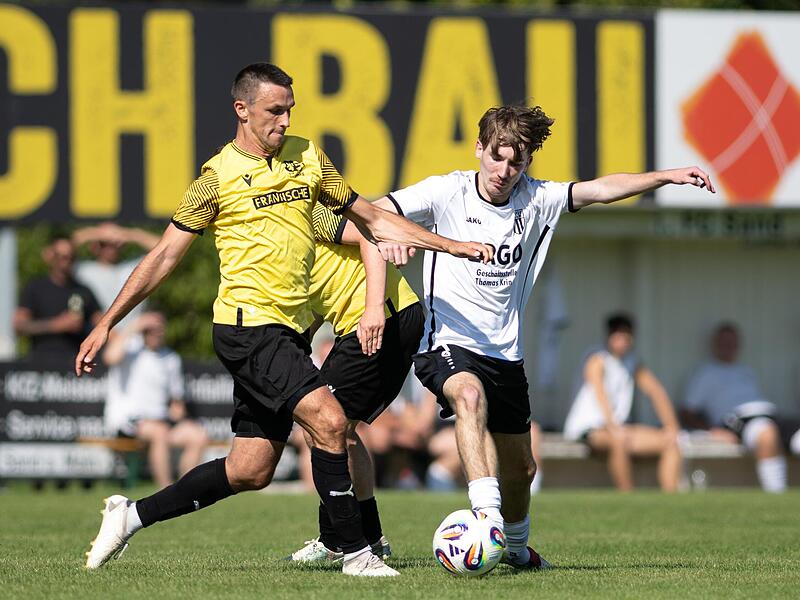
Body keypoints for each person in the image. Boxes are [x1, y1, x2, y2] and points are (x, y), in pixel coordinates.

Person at [77, 62, 491, 577]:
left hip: (290, 335)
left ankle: (131, 515)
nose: (285, 120)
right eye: (275, 110)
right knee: (331, 419)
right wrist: (106, 322)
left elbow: (372, 221)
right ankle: (356, 551)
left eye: (291, 109)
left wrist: (451, 246)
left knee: (249, 470)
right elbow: (164, 255)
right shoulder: (216, 178)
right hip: (247, 329)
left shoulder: (307, 158)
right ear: (242, 109)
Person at [349, 103, 715, 568]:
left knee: (522, 468)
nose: (504, 170)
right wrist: (392, 235)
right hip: (448, 339)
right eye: (497, 157)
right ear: (479, 148)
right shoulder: (447, 191)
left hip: (506, 353)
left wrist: (666, 175)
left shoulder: (537, 198)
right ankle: (486, 521)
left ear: (527, 163)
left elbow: (602, 189)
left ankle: (516, 548)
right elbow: (371, 213)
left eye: (516, 162)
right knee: (468, 396)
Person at [286, 200, 425, 563]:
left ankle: (339, 540)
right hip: (372, 324)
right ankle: (369, 536)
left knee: (323, 423)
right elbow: (322, 299)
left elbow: (371, 234)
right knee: (337, 428)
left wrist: (373, 307)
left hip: (386, 317)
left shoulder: (306, 213)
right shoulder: (283, 244)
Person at [563, 313, 682, 492]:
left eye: (626, 336)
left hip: (617, 429)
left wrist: (672, 427)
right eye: (618, 335)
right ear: (609, 337)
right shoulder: (597, 358)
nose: (622, 341)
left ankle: (672, 499)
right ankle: (627, 496)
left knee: (670, 443)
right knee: (618, 440)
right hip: (589, 429)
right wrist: (612, 426)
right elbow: (599, 393)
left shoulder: (632, 362)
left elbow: (656, 391)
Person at [681, 322, 799, 493]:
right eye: (724, 341)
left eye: (732, 342)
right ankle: (778, 496)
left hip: (769, 414)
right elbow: (687, 412)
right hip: (737, 420)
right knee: (767, 434)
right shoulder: (705, 372)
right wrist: (711, 430)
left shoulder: (746, 371)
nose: (729, 346)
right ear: (715, 344)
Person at [103, 311, 208, 487]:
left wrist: (177, 411)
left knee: (198, 436)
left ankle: (186, 489)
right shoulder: (130, 349)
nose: (156, 334)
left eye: (159, 329)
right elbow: (110, 357)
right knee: (160, 433)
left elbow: (177, 400)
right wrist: (136, 325)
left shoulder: (170, 358)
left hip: (161, 421)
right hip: (129, 421)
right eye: (151, 329)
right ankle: (166, 490)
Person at [14, 236, 102, 363]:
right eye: (61, 256)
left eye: (70, 257)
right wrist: (55, 325)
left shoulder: (83, 290)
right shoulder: (35, 287)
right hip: (40, 363)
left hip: (74, 366)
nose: (65, 261)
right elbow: (19, 326)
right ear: (50, 256)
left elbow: (101, 323)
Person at [72, 223, 160, 327]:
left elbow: (166, 249)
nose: (110, 247)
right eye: (103, 244)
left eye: (114, 243)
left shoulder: (133, 268)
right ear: (94, 246)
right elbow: (61, 247)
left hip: (132, 339)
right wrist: (97, 234)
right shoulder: (84, 270)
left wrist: (128, 235)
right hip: (96, 336)